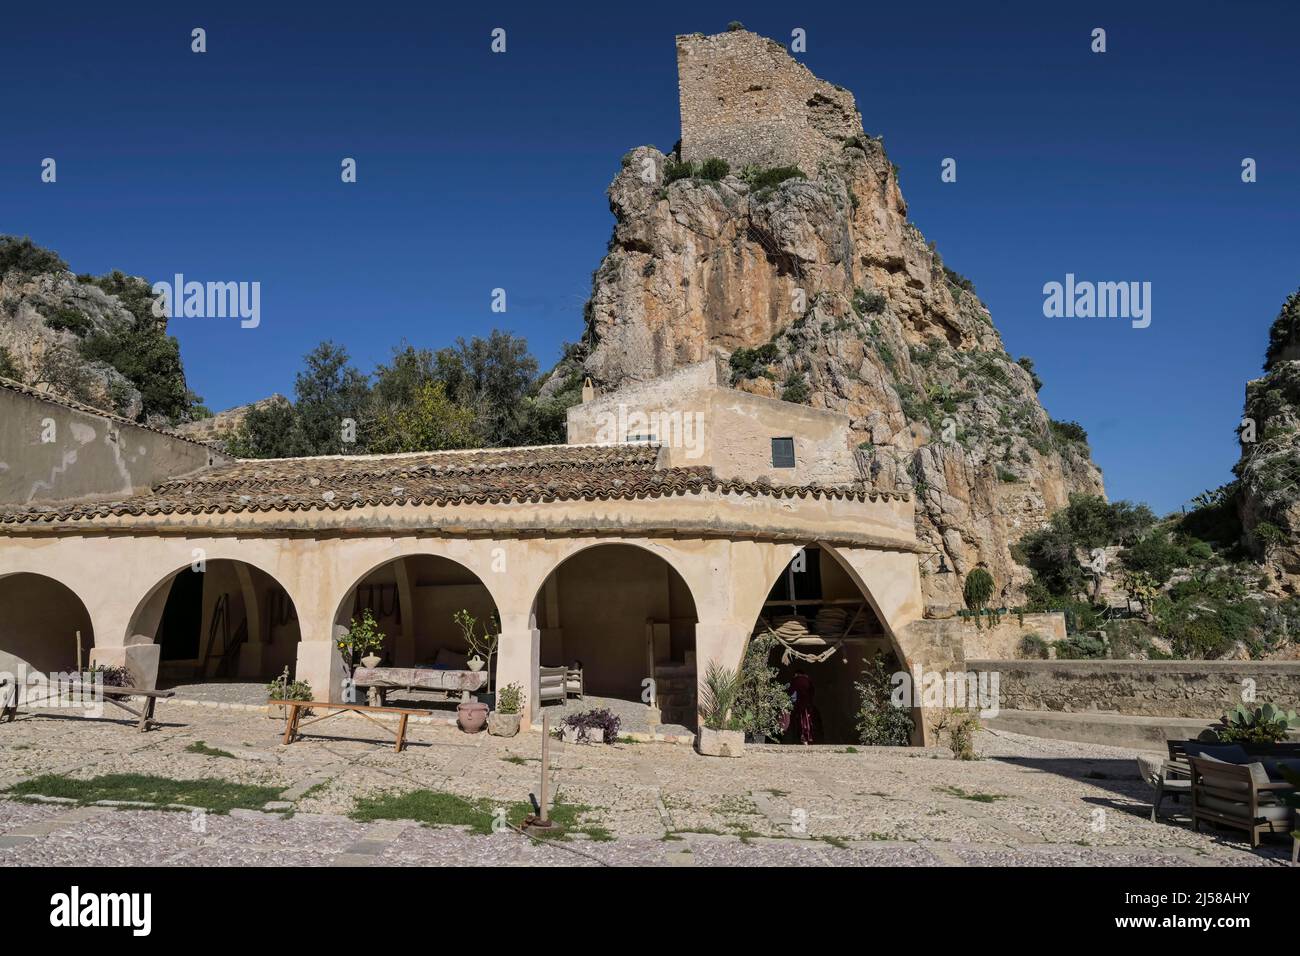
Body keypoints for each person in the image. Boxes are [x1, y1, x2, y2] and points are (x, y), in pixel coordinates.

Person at [788, 670, 817, 745]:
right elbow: (812, 692)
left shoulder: (795, 681)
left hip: (799, 704)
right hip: (806, 704)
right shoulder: (808, 680)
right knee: (807, 720)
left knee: (800, 720)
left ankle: (803, 737)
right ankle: (807, 737)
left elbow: (791, 692)